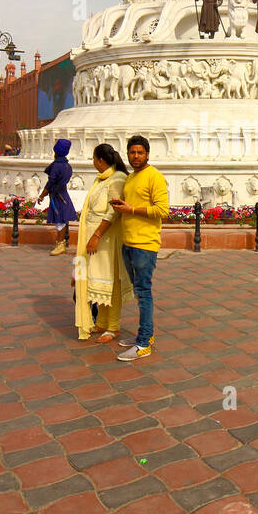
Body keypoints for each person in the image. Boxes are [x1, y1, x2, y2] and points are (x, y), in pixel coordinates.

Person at [110, 135, 170, 362]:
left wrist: (132, 209)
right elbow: (130, 207)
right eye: (132, 152)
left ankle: (143, 343)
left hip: (145, 244)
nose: (135, 156)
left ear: (147, 154)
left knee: (144, 292)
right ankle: (146, 334)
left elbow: (163, 210)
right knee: (138, 291)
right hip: (129, 241)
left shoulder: (154, 177)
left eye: (140, 152)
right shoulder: (131, 178)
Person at [73, 145, 132, 343]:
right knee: (101, 283)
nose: (92, 162)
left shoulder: (117, 179)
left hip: (107, 240)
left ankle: (113, 327)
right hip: (95, 239)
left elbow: (113, 211)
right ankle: (103, 322)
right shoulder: (102, 179)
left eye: (93, 158)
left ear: (100, 160)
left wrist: (97, 235)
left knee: (112, 283)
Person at [36, 139, 79, 255]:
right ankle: (61, 243)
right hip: (63, 194)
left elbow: (51, 182)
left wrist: (42, 195)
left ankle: (60, 244)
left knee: (60, 221)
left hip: (57, 196)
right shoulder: (67, 166)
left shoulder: (56, 166)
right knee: (63, 220)